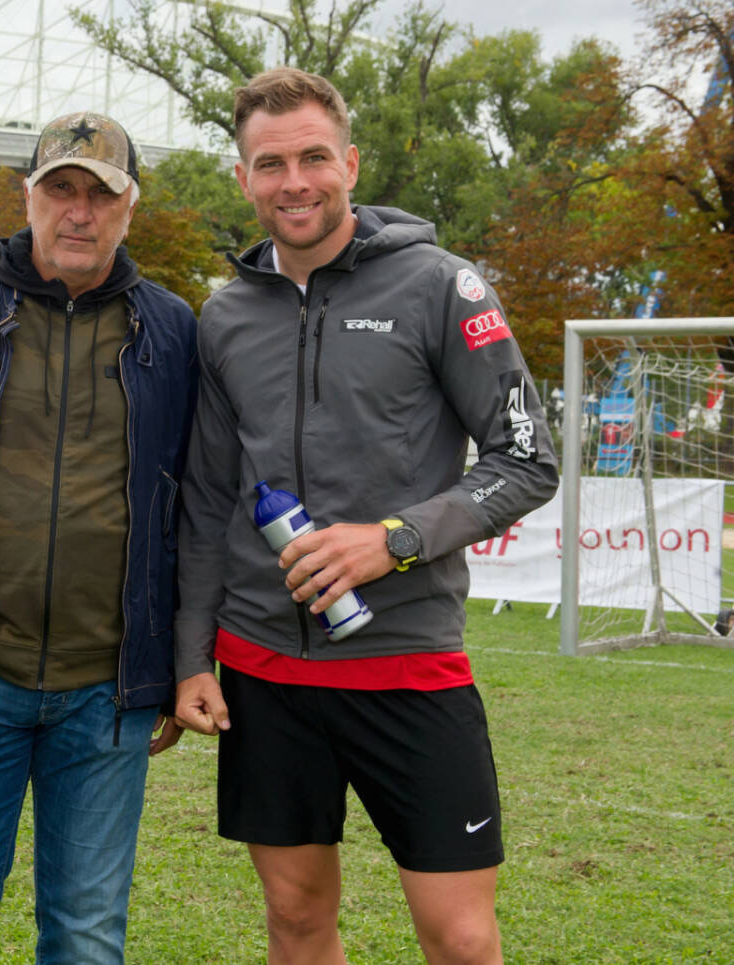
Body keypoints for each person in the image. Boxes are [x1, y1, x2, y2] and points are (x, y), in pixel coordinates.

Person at [173, 68, 559, 965]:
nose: (294, 181)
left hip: (408, 664)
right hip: (266, 671)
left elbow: (527, 459)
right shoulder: (223, 316)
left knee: (460, 937)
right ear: (243, 179)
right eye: (270, 164)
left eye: (314, 157)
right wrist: (192, 655)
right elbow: (204, 502)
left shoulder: (441, 286)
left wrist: (395, 541)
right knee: (298, 921)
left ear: (350, 161)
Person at [0, 111, 199, 964]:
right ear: (29, 197)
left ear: (130, 208)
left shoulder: (173, 329)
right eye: (61, 190)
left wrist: (174, 656)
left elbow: (193, 504)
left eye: (101, 193)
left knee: (87, 940)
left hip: (108, 690)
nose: (79, 212)